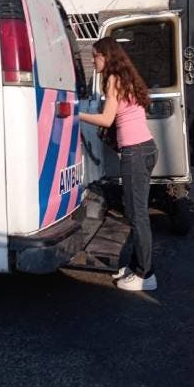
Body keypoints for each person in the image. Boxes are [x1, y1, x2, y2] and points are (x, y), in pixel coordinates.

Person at [78, 38, 159, 292]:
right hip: (145, 148)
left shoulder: (113, 79)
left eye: (96, 56)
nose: (93, 60)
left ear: (107, 56)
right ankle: (137, 267)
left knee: (137, 216)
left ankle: (146, 274)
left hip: (135, 153)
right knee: (137, 213)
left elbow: (106, 119)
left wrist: (73, 113)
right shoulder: (125, 77)